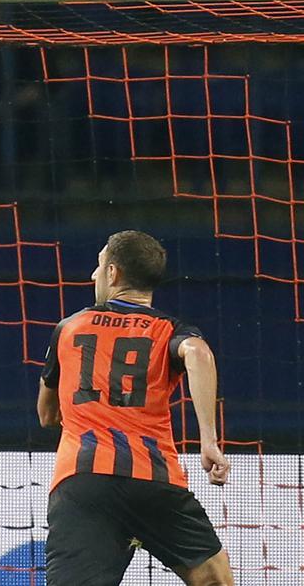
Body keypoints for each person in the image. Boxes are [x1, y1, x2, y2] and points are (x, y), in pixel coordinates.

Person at [37, 230, 234, 586]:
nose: (94, 275)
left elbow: (47, 414)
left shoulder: (68, 328)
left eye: (99, 267)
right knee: (213, 577)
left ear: (113, 274)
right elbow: (199, 354)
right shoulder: (169, 329)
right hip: (154, 480)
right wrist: (209, 440)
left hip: (83, 484)